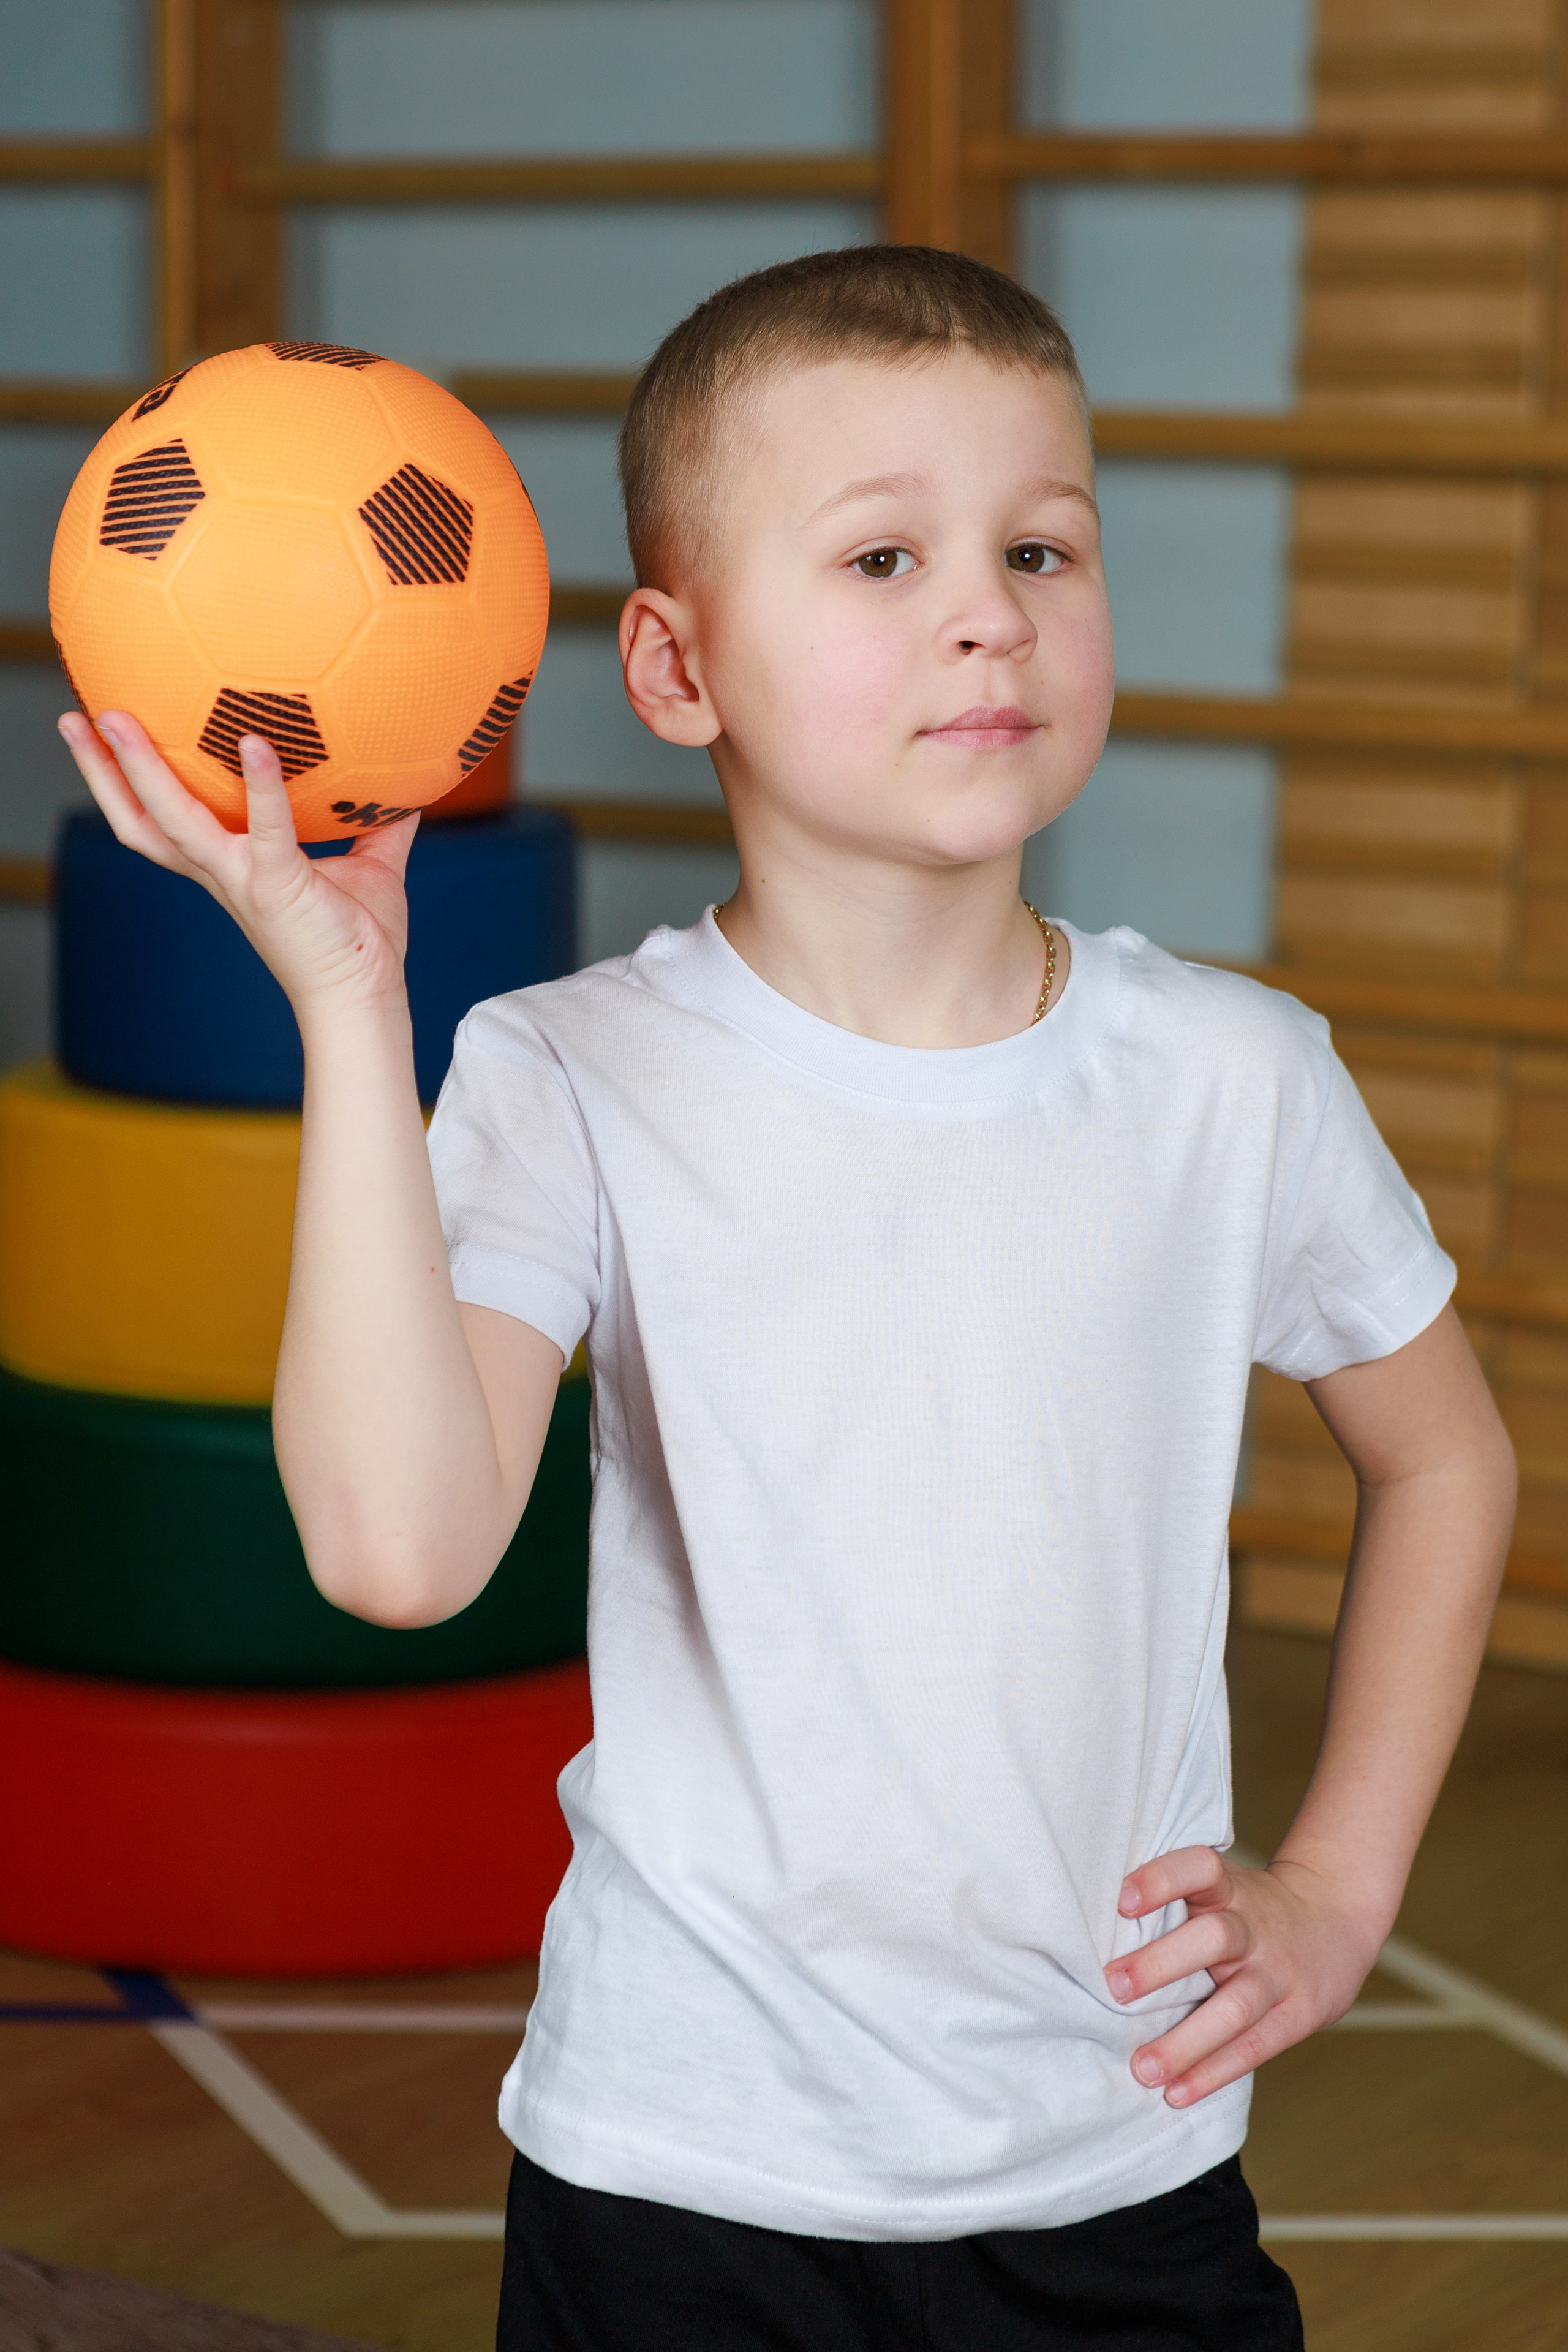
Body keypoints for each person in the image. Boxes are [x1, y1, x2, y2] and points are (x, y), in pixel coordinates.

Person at [62, 246, 1516, 2352]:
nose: (987, 610)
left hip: (1114, 2167)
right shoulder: (565, 1073)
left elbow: (1447, 1453)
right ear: (676, 664)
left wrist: (1343, 1888)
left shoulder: (1235, 1075)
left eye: (1041, 546)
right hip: (678, 2176)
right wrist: (350, 1010)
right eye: (885, 557)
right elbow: (398, 1552)